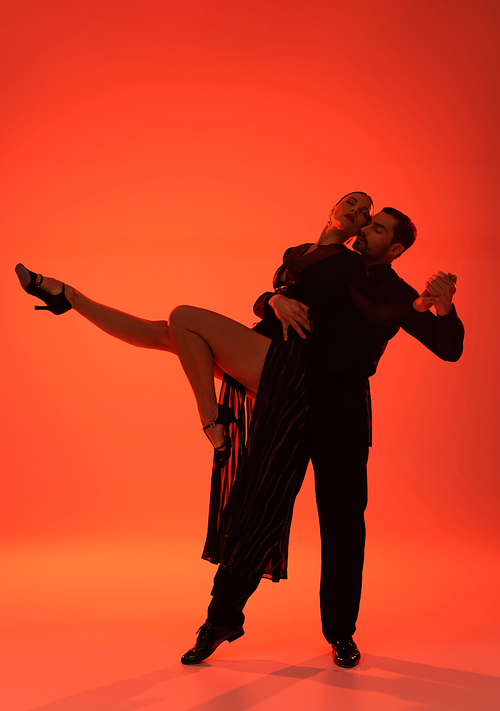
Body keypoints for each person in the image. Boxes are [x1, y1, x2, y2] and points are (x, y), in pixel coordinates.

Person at [15, 192, 448, 668]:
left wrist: (441, 309)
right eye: (365, 218)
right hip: (287, 395)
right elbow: (277, 295)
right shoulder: (326, 258)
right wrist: (275, 299)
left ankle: (341, 633)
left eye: (377, 227)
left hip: (341, 411)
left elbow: (446, 345)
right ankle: (220, 621)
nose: (365, 227)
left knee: (345, 526)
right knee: (255, 507)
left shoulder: (394, 291)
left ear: (396, 249)